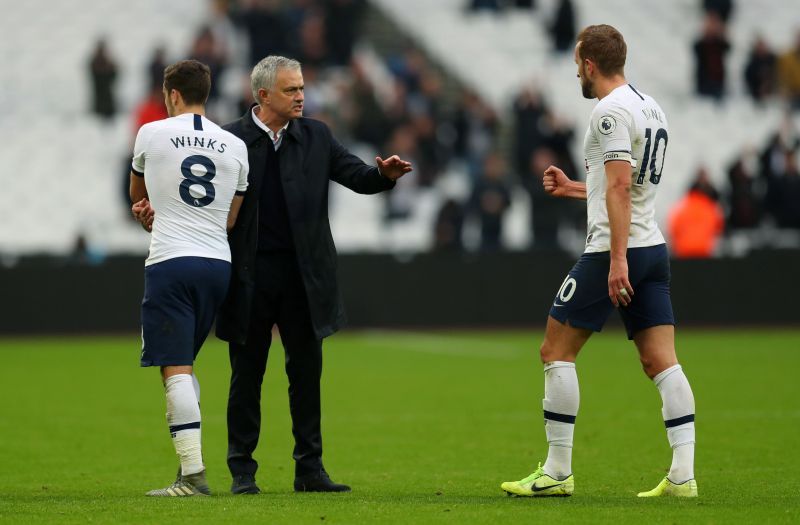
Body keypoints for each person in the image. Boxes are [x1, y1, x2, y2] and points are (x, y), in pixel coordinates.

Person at [500, 25, 698, 498]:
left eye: (577, 65)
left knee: (554, 350)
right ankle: (682, 476)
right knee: (662, 363)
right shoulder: (650, 106)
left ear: (589, 64)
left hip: (616, 249)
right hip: (652, 248)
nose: (576, 74)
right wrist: (573, 187)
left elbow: (617, 187)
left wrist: (614, 262)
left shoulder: (607, 112)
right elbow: (627, 182)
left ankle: (557, 472)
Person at [217, 56, 411, 494]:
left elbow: (356, 175)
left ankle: (310, 469)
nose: (302, 96)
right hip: (249, 274)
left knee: (305, 374)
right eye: (291, 90)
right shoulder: (229, 140)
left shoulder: (318, 136)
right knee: (246, 375)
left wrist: (383, 176)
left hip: (305, 275)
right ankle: (242, 471)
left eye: (302, 87)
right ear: (263, 95)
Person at [129, 59, 249, 497]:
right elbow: (231, 219)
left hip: (171, 262)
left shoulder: (152, 133)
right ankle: (188, 471)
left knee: (174, 370)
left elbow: (137, 194)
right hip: (217, 264)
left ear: (172, 94)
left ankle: (193, 475)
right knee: (186, 366)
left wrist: (147, 214)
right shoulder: (234, 145)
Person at [668, 169, 725, 258]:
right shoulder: (712, 208)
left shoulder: (682, 207)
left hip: (683, 252)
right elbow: (719, 229)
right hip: (704, 252)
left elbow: (673, 228)